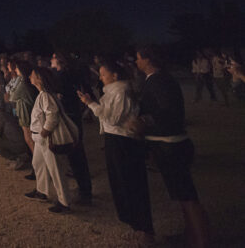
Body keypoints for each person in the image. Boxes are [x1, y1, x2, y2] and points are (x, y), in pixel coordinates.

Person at [131, 46, 210, 247]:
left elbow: (168, 112)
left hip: (171, 146)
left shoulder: (158, 81)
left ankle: (200, 241)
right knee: (183, 195)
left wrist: (143, 121)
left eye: (138, 58)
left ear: (148, 60)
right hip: (170, 144)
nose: (136, 62)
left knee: (187, 196)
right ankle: (191, 234)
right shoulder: (160, 79)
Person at [78, 61, 154, 244]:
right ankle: (137, 227)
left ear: (115, 76)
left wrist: (90, 104)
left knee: (131, 184)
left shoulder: (121, 92)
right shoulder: (113, 92)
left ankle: (144, 230)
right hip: (115, 140)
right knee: (121, 184)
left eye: (103, 74)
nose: (100, 77)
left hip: (123, 142)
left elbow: (112, 118)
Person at [24, 67, 75, 214]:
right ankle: (42, 191)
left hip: (44, 137)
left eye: (32, 75)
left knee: (55, 169)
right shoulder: (43, 94)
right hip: (41, 137)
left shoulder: (45, 95)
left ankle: (64, 201)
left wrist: (45, 132)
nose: (30, 76)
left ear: (39, 79)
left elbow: (53, 114)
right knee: (38, 163)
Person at [51, 52, 93, 205]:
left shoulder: (62, 76)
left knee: (75, 153)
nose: (51, 59)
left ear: (59, 61)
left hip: (69, 116)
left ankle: (85, 193)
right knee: (77, 153)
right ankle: (85, 189)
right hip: (74, 114)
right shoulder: (71, 74)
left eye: (53, 57)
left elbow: (62, 96)